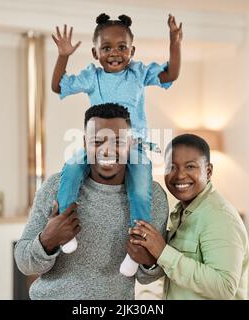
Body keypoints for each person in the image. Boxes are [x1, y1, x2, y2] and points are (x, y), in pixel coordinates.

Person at [50, 13, 182, 276]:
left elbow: (171, 73)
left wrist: (174, 42)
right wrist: (64, 55)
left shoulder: (138, 73)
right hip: (97, 146)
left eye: (122, 47)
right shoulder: (91, 76)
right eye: (106, 47)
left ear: (132, 50)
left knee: (141, 188)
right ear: (95, 51)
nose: (115, 53)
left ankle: (135, 245)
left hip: (132, 145)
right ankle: (65, 227)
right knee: (72, 169)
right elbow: (57, 86)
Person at [14, 103, 169, 300]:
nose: (107, 150)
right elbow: (24, 264)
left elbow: (151, 276)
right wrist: (47, 241)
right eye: (97, 141)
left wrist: (149, 263)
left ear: (130, 144)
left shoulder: (153, 197)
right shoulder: (55, 187)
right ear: (85, 143)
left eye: (118, 142)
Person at [129, 134, 249, 299]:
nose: (180, 175)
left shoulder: (219, 217)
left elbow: (224, 287)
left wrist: (163, 252)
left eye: (190, 166)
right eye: (172, 167)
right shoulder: (182, 212)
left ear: (208, 171)